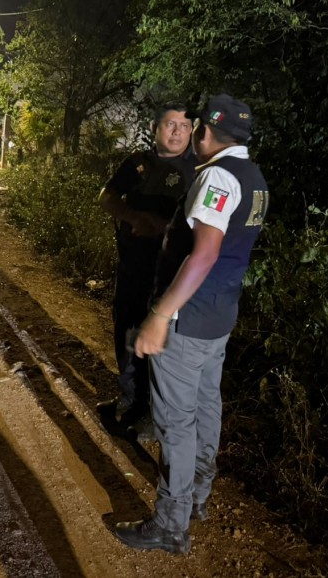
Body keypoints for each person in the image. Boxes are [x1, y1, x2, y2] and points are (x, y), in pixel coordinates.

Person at [114, 94, 269, 555]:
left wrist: (160, 315)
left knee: (176, 422)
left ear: (204, 133)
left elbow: (205, 253)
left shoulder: (217, 177)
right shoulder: (253, 176)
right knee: (206, 406)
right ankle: (199, 495)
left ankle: (170, 523)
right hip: (219, 315)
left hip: (189, 317)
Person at [97, 103, 196, 433]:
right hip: (134, 267)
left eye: (184, 126)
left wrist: (163, 226)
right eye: (169, 124)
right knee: (127, 330)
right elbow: (107, 197)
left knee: (165, 340)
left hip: (174, 275)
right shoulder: (138, 164)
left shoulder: (199, 172)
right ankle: (131, 400)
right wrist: (135, 218)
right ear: (155, 129)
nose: (176, 131)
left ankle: (156, 411)